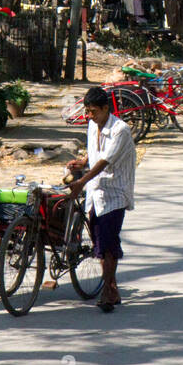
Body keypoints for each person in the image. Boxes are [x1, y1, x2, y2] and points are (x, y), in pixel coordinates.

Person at [65, 86, 136, 312]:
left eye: (94, 111)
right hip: (95, 193)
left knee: (108, 244)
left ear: (106, 108)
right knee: (99, 243)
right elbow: (94, 152)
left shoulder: (120, 130)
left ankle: (108, 291)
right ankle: (112, 288)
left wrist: (81, 181)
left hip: (115, 193)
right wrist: (83, 162)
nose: (89, 116)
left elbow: (105, 160)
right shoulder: (92, 125)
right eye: (87, 111)